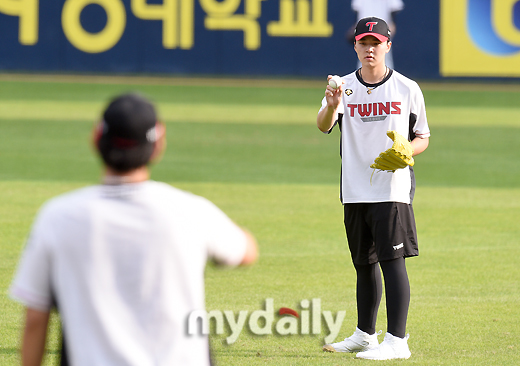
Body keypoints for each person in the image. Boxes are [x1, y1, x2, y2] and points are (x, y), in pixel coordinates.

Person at [9, 93, 258, 366]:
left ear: (96, 139)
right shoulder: (190, 211)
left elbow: (35, 317)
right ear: (158, 145)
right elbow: (246, 252)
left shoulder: (57, 217)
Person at [317, 17, 430, 360]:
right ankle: (365, 334)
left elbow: (422, 136)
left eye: (375, 43)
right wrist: (333, 105)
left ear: (387, 46)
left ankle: (398, 341)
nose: (369, 48)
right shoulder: (343, 87)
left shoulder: (407, 88)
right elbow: (323, 126)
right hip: (353, 189)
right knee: (363, 264)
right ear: (355, 46)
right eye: (363, 42)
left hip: (391, 189)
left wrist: (408, 150)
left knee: (392, 262)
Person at [348, 0, 404, 69]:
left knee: (383, 56)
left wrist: (391, 26)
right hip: (365, 28)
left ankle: (386, 77)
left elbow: (393, 11)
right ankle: (362, 77)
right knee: (364, 55)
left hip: (381, 29)